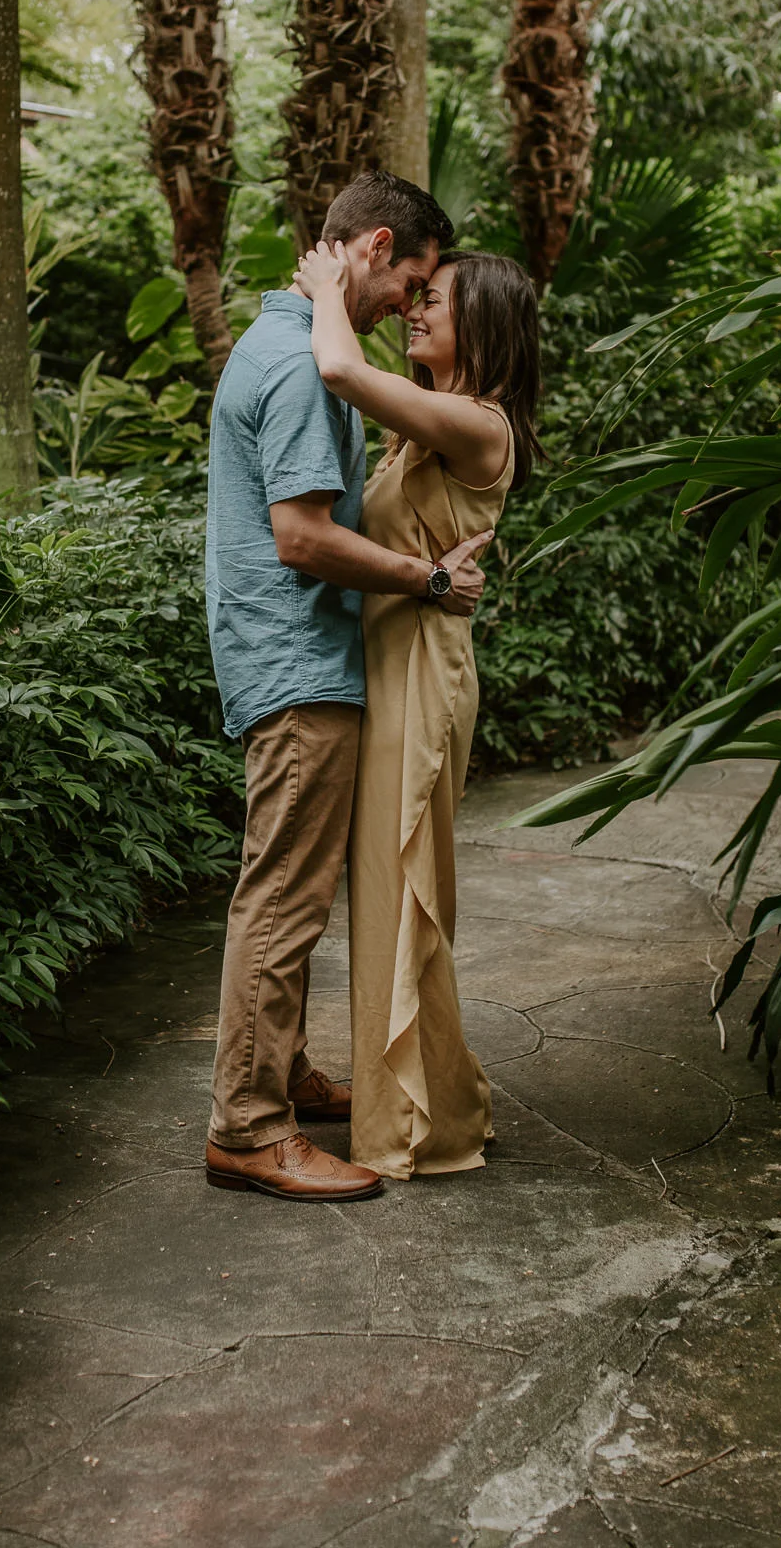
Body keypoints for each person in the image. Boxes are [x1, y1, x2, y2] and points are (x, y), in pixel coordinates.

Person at [203, 170, 496, 1203]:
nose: (408, 306)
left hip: (297, 658)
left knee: (291, 890)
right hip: (299, 662)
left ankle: (274, 1069)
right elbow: (302, 536)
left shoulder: (286, 345)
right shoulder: (301, 365)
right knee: (282, 898)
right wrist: (425, 575)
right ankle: (247, 1123)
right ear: (371, 248)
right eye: (410, 281)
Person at [293, 239, 542, 1179]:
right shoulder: (425, 429)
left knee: (407, 889)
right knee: (388, 891)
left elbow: (336, 366)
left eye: (433, 298)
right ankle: (419, 1096)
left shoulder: (481, 426)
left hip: (424, 674)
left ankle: (415, 1123)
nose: (413, 309)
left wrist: (325, 287)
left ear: (483, 320)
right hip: (388, 663)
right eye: (415, 296)